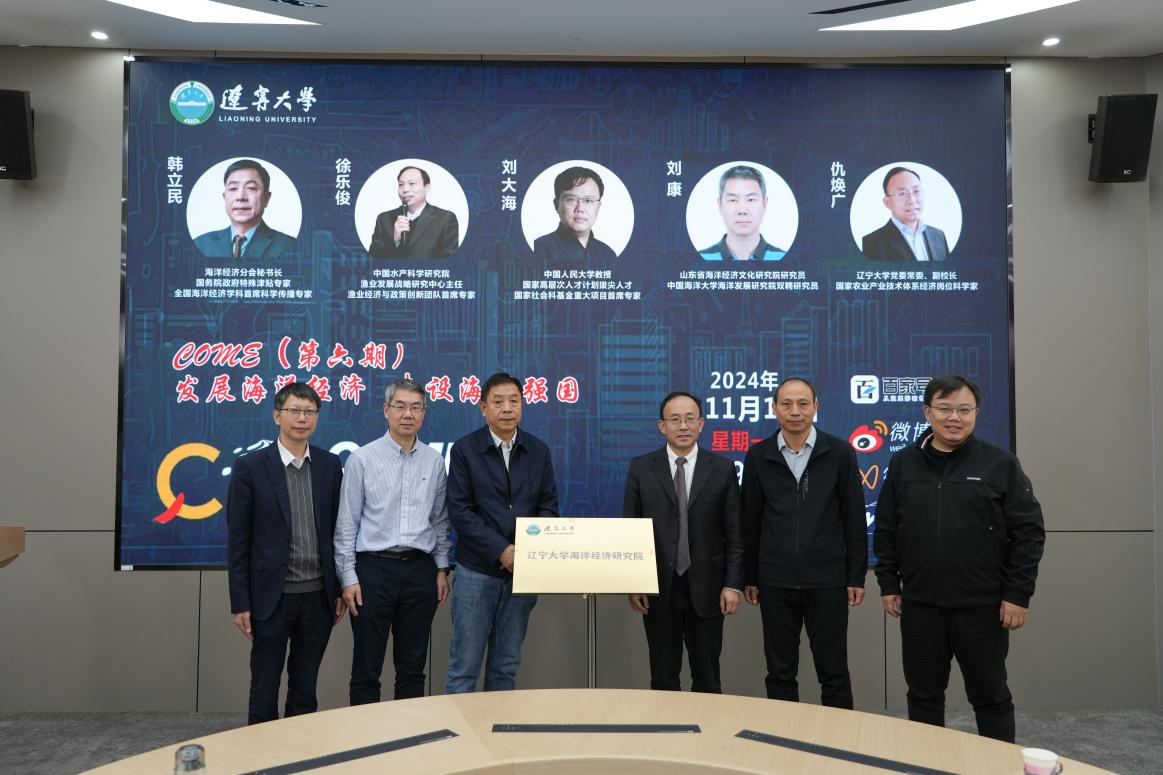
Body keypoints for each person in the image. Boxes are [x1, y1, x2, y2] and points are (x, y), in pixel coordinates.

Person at [874, 375, 1045, 742]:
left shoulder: (1000, 464)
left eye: (964, 410)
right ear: (927, 411)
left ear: (976, 414)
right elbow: (886, 529)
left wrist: (1017, 594)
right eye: (945, 408)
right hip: (921, 606)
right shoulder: (904, 463)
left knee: (990, 696)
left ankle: (998, 766)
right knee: (923, 697)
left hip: (982, 607)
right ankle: (927, 764)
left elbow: (1029, 533)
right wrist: (888, 583)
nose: (955, 417)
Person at [740, 379, 867, 708]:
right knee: (780, 672)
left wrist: (856, 576)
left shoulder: (839, 452)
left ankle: (839, 737)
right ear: (774, 409)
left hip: (827, 580)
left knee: (834, 671)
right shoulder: (758, 455)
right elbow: (750, 519)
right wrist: (750, 576)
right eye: (786, 404)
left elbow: (854, 518)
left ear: (815, 407)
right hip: (774, 581)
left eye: (802, 403)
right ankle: (784, 737)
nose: (794, 411)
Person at [226, 382, 343, 725]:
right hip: (270, 598)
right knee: (264, 686)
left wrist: (337, 588)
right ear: (277, 416)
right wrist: (240, 602)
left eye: (309, 412)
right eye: (294, 411)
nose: (302, 418)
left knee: (305, 687)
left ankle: (298, 749)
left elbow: (338, 531)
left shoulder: (329, 465)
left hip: (318, 596)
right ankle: (262, 751)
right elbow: (238, 541)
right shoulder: (250, 467)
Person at [333, 378, 452, 704]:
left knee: (412, 669)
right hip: (373, 572)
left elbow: (440, 520)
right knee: (366, 668)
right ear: (386, 410)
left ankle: (409, 734)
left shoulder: (434, 461)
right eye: (400, 406)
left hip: (420, 571)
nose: (407, 414)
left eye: (416, 407)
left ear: (424, 413)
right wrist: (348, 577)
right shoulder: (362, 459)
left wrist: (441, 568)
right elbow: (346, 524)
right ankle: (366, 734)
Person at [444, 372, 558, 692]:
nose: (507, 408)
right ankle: (459, 726)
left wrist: (527, 552)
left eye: (514, 401)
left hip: (523, 573)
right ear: (483, 408)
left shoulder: (538, 451)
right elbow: (461, 511)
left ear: (522, 405)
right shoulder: (465, 450)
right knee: (464, 668)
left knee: (505, 666)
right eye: (498, 402)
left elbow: (548, 506)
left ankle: (498, 726)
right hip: (476, 571)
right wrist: (501, 550)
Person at [624, 391, 744, 693]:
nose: (683, 426)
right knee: (663, 678)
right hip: (658, 587)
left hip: (709, 588)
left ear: (701, 424)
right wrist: (635, 583)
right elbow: (631, 530)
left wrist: (732, 585)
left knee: (708, 678)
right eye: (675, 419)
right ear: (662, 426)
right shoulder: (641, 468)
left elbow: (735, 533)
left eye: (690, 419)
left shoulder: (722, 469)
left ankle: (707, 726)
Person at [195, 158, 296, 259]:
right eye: (233, 188)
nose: (241, 197)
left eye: (251, 188)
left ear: (266, 198)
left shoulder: (288, 246)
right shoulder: (201, 244)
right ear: (225, 197)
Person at [861, 166, 950, 262]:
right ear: (887, 202)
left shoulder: (939, 236)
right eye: (902, 193)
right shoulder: (870, 244)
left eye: (916, 191)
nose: (912, 200)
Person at [369, 165, 460, 258]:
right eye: (401, 185)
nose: (405, 189)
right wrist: (395, 239)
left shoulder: (445, 219)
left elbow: (450, 260)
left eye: (411, 183)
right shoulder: (384, 219)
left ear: (427, 188)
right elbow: (373, 258)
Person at [699, 165, 786, 261]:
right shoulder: (699, 260)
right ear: (720, 205)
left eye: (751, 200)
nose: (742, 211)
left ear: (764, 204)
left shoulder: (786, 260)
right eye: (733, 200)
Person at [532, 166, 617, 261]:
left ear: (598, 206)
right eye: (571, 200)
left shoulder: (608, 254)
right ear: (557, 205)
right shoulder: (538, 249)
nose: (580, 208)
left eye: (588, 201)